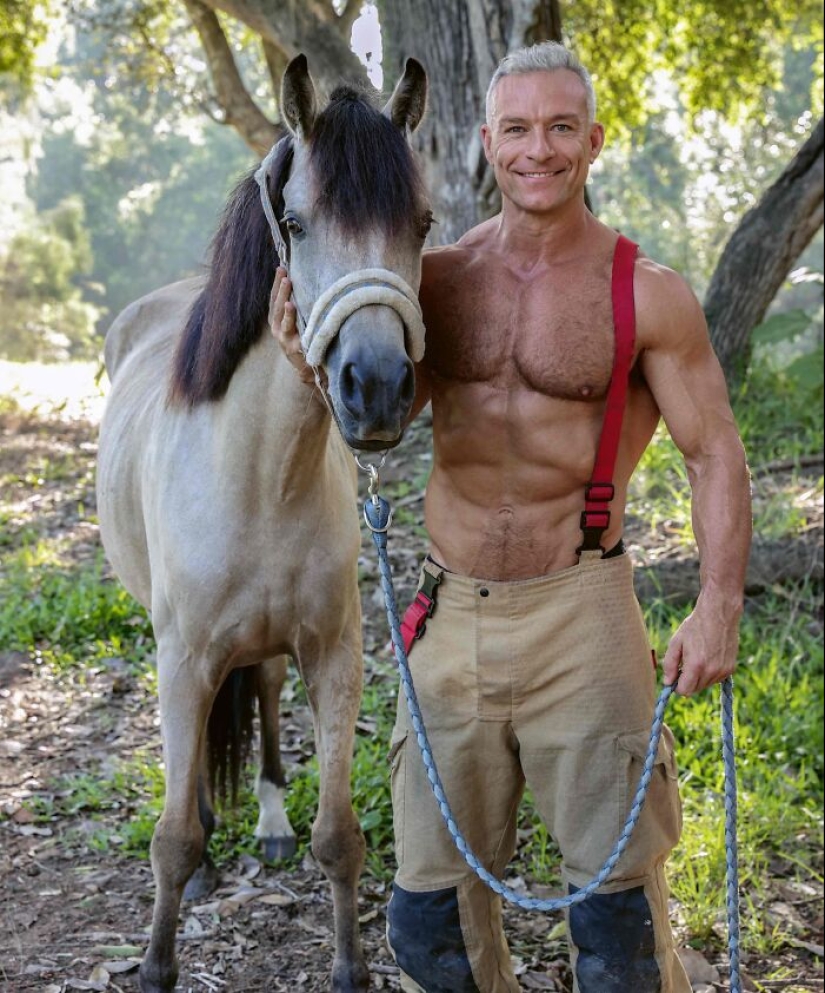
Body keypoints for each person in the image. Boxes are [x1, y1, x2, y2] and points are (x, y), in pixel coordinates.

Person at [272, 41, 751, 993]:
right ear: (486, 142)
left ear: (593, 142)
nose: (539, 150)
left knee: (616, 938)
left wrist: (719, 604)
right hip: (450, 619)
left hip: (583, 615)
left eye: (561, 128)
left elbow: (712, 453)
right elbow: (378, 419)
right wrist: (303, 360)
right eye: (518, 129)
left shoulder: (644, 291)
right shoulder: (438, 281)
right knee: (430, 931)